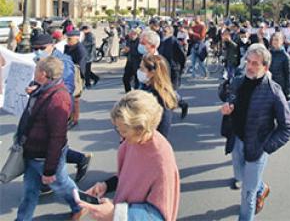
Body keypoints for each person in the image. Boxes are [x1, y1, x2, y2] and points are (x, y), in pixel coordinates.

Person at [79, 90, 180, 221]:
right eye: (117, 129)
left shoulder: (162, 160)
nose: (121, 135)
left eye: (124, 131)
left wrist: (115, 214)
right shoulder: (133, 141)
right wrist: (106, 185)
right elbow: (130, 177)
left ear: (141, 128)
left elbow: (158, 215)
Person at [220, 44, 290, 219]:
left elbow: (287, 128)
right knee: (239, 175)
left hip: (257, 148)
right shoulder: (239, 81)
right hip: (237, 140)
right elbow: (230, 95)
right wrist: (228, 105)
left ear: (265, 67)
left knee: (247, 194)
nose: (250, 67)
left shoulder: (273, 91)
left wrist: (266, 147)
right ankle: (262, 187)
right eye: (248, 62)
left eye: (255, 64)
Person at [15, 56, 83, 220]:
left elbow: (57, 137)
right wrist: (34, 91)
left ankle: (79, 205)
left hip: (44, 156)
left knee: (62, 185)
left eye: (37, 69)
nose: (34, 72)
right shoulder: (44, 88)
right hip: (32, 152)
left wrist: (49, 169)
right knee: (29, 191)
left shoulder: (59, 98)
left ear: (43, 74)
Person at [29, 34, 92, 189]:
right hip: (41, 105)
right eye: (35, 49)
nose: (38, 52)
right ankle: (78, 159)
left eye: (41, 48)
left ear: (51, 45)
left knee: (54, 140)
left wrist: (39, 89)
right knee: (45, 140)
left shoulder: (62, 61)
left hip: (58, 107)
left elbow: (67, 87)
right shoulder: (39, 60)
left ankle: (58, 180)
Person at [137, 54, 179, 137]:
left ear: (152, 73)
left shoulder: (155, 96)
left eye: (142, 69)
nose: (139, 71)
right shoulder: (161, 91)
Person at [157, 26, 189, 118]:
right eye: (163, 30)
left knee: (171, 91)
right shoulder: (162, 41)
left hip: (173, 70)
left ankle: (182, 104)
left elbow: (182, 56)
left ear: (171, 32)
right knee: (163, 90)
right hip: (163, 70)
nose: (163, 32)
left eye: (165, 31)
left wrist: (180, 67)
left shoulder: (173, 41)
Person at [63, 30, 87, 128]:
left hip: (76, 75)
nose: (67, 41)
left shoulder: (80, 49)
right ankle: (69, 117)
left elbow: (81, 65)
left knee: (75, 98)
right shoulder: (68, 47)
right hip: (68, 74)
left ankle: (75, 119)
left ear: (76, 39)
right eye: (67, 38)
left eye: (69, 39)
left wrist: (81, 79)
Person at [268, 32, 290, 101]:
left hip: (280, 86)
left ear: (282, 41)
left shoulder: (285, 56)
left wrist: (288, 92)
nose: (274, 42)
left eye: (277, 40)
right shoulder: (269, 53)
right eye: (273, 39)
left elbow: (288, 75)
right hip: (269, 84)